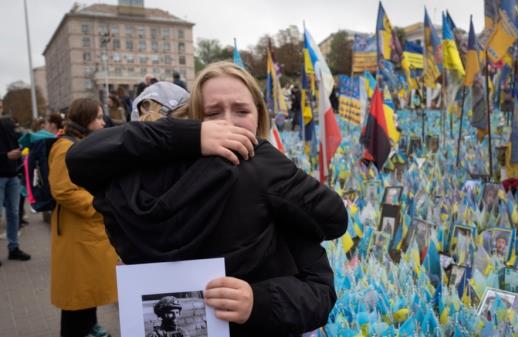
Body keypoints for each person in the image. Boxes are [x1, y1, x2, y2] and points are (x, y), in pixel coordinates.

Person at [67, 61, 347, 337]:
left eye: (241, 110)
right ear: (194, 121)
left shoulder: (274, 183)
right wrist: (188, 137)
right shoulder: (163, 183)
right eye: (213, 114)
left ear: (259, 115)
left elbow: (319, 291)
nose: (227, 123)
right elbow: (81, 158)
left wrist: (257, 301)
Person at [49, 98, 118, 337]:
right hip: (76, 232)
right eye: (98, 117)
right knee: (76, 294)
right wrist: (98, 205)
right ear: (85, 119)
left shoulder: (80, 143)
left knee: (88, 288)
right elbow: (63, 191)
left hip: (85, 230)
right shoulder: (65, 147)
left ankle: (90, 326)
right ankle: (78, 331)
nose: (102, 122)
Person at [0, 116, 31, 264]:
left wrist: (20, 153)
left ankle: (14, 248)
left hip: (13, 175)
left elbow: (18, 142)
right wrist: (6, 156)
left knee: (14, 213)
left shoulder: (8, 123)